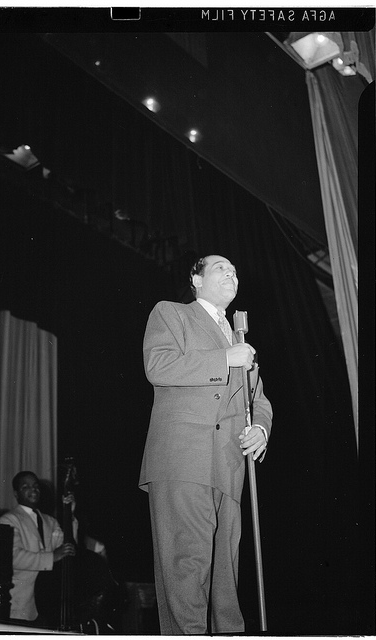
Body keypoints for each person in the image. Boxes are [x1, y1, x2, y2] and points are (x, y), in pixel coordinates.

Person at [139, 254, 273, 635]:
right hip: (183, 457)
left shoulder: (240, 340)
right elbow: (158, 366)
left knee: (226, 577)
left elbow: (258, 401)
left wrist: (260, 429)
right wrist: (224, 358)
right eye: (220, 268)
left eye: (235, 270)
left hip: (228, 466)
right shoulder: (172, 314)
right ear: (196, 279)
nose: (231, 273)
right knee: (187, 565)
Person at [0, 471, 77, 625]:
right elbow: (14, 557)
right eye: (26, 486)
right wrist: (52, 557)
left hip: (46, 606)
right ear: (16, 493)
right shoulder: (7, 520)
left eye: (36, 486)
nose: (33, 490)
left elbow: (67, 548)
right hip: (18, 605)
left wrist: (69, 515)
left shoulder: (50, 521)